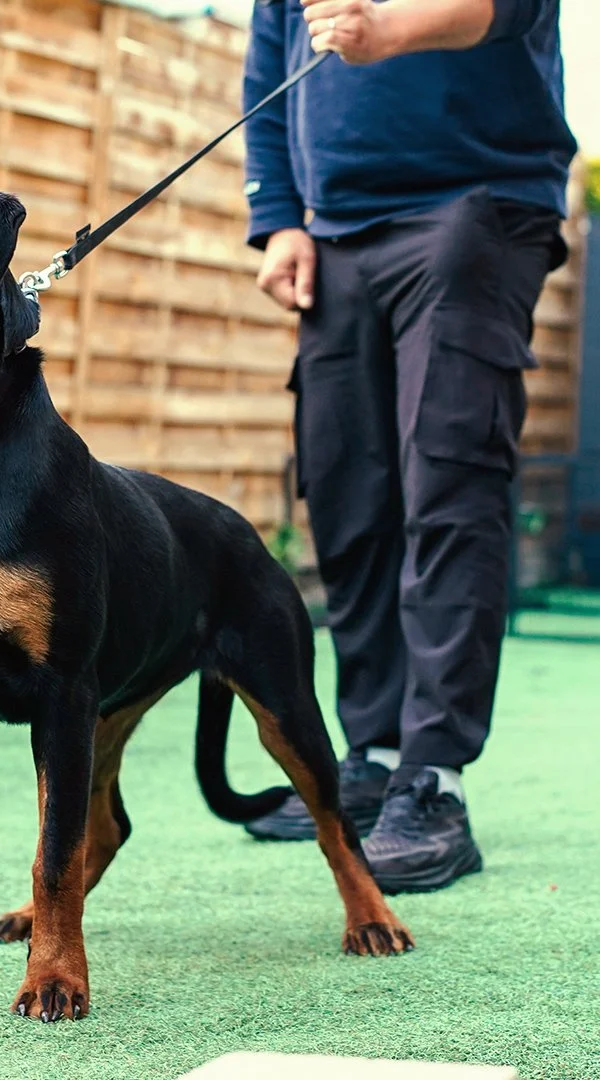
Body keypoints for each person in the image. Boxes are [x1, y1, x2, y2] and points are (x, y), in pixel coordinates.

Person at [241, 0, 575, 893]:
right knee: (347, 491)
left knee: (449, 483)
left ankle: (435, 778)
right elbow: (271, 68)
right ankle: (376, 754)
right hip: (337, 228)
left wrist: (392, 29)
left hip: (477, 205)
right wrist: (279, 217)